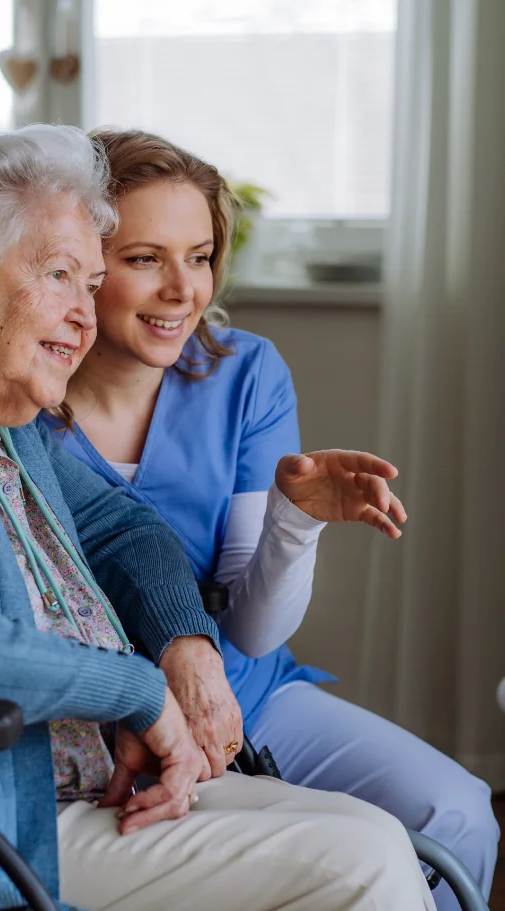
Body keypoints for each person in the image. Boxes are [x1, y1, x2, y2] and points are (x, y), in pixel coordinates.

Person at [0, 125, 436, 911]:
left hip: (70, 782)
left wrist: (184, 647)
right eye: (60, 276)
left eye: (91, 282)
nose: (84, 317)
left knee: (382, 838)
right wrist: (131, 690)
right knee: (361, 863)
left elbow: (122, 528)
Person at [43, 128, 499, 911]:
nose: (184, 289)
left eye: (201, 255)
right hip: (95, 720)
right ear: (79, 261)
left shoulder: (243, 373)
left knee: (454, 813)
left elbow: (253, 632)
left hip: (246, 694)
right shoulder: (17, 390)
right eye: (145, 258)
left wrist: (296, 519)